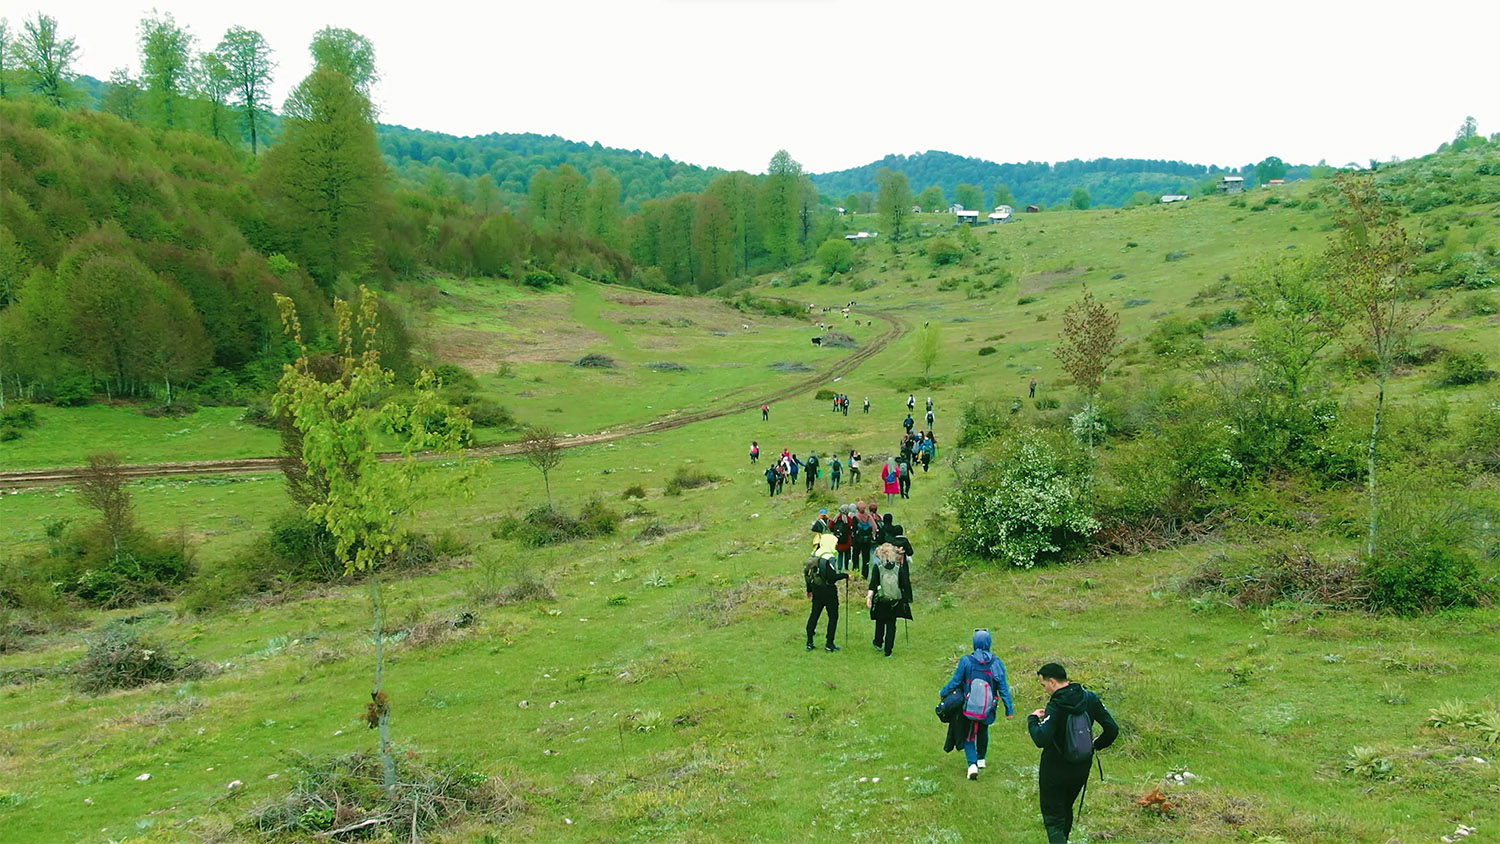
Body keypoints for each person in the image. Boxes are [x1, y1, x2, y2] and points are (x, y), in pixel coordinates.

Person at [1028, 663, 1120, 844]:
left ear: (1052, 682)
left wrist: (1032, 720)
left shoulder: (1056, 705)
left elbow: (1041, 739)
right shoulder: (1090, 698)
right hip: (1081, 767)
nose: (1045, 689)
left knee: (1053, 819)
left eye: (1044, 685)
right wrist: (1095, 745)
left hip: (1054, 769)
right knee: (1065, 809)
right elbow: (1112, 729)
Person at [940, 629, 1014, 779]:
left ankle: (972, 765)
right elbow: (1003, 687)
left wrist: (943, 692)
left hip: (969, 706)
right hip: (988, 707)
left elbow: (955, 681)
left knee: (969, 735)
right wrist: (1009, 709)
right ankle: (981, 759)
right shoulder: (996, 662)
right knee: (983, 730)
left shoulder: (966, 661)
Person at [865, 542, 911, 657]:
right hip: (894, 600)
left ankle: (878, 642)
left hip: (881, 599)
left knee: (880, 621)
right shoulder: (898, 568)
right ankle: (888, 651)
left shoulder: (878, 567)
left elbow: (873, 584)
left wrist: (869, 597)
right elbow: (905, 584)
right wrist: (905, 598)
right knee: (891, 625)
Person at [804, 536, 849, 652]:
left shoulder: (815, 555)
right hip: (828, 591)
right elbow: (832, 577)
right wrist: (844, 575)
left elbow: (808, 575)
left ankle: (809, 642)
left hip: (816, 589)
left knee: (814, 615)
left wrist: (809, 590)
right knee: (833, 617)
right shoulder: (829, 558)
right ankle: (829, 644)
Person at [851, 500, 877, 577]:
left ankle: (856, 572)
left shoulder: (855, 517)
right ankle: (865, 575)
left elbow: (853, 530)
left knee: (855, 557)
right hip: (867, 541)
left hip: (857, 541)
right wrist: (873, 536)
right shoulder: (868, 517)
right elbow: (874, 527)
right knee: (866, 558)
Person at [833, 504, 855, 571]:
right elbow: (851, 527)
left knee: (840, 554)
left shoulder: (836, 518)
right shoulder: (848, 519)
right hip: (847, 540)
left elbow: (830, 525)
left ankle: (839, 568)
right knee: (846, 554)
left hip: (838, 539)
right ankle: (846, 567)